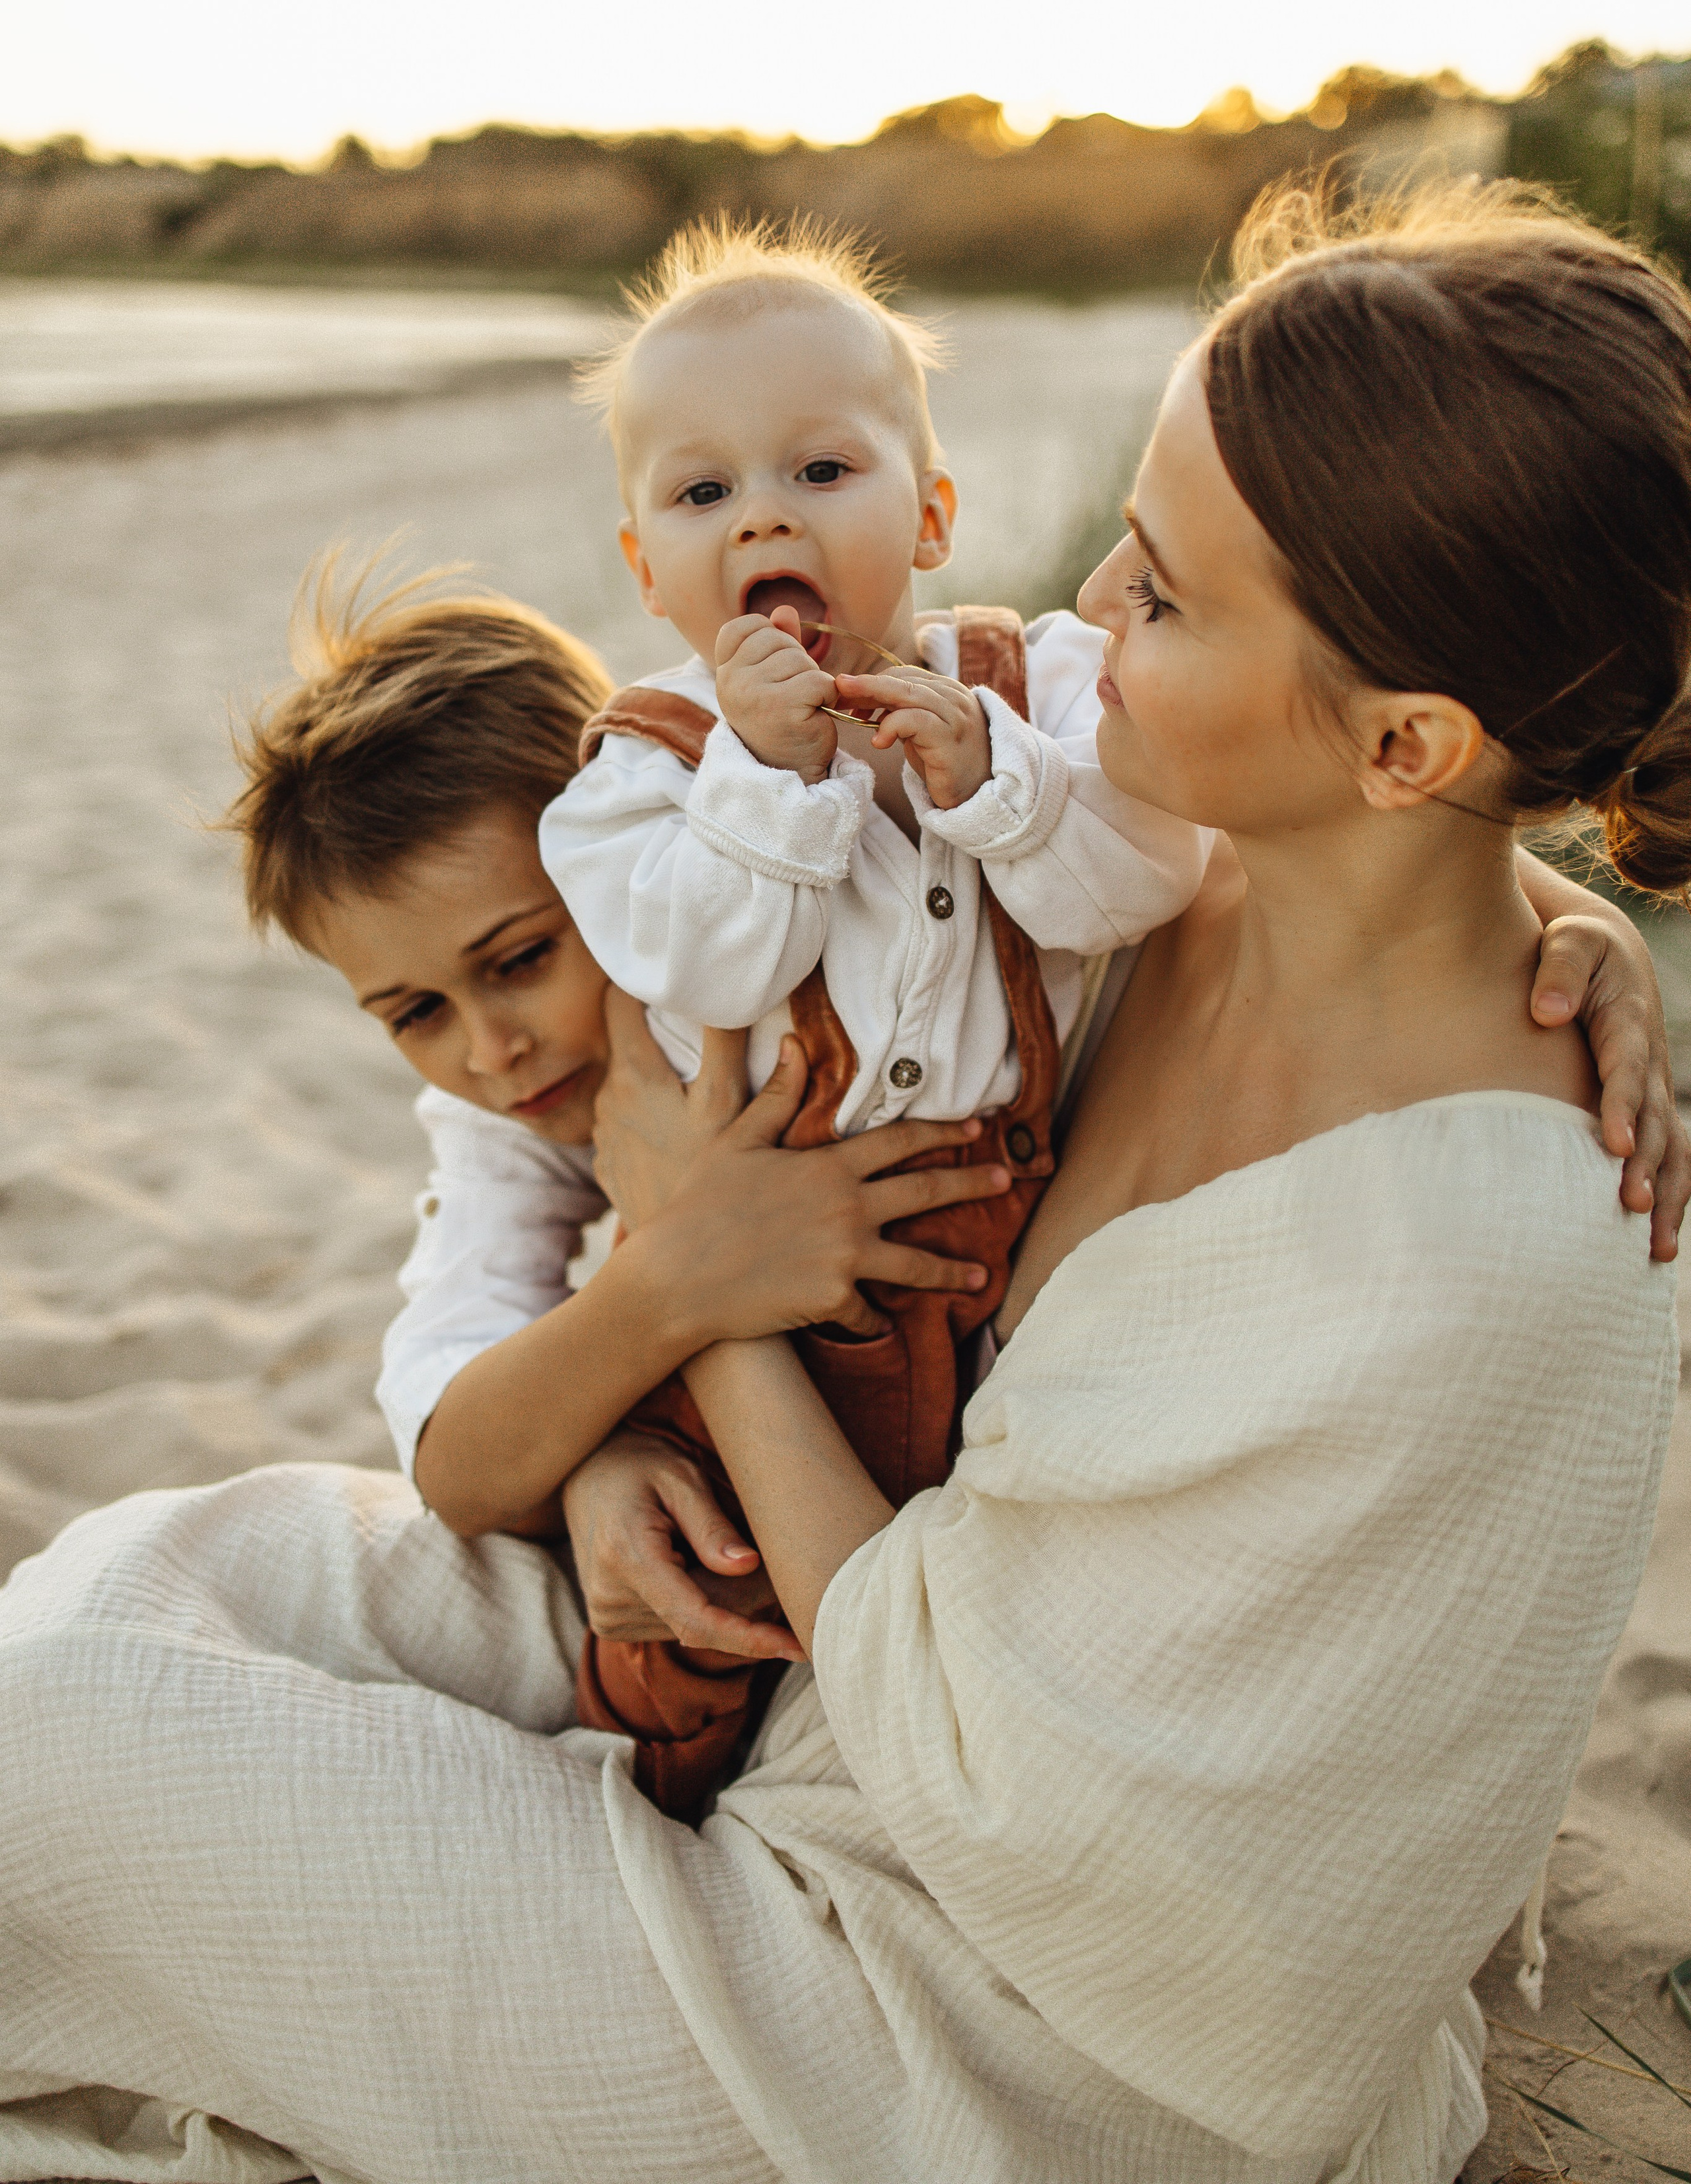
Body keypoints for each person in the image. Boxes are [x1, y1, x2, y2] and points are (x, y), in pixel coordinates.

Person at [2, 179, 1686, 2184]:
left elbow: (998, 1780)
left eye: (1156, 595)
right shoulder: (1188, 871)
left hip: (960, 2025)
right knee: (156, 1576)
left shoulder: (1468, 1245)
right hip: (799, 1653)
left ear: (1403, 740)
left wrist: (694, 1281)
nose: (1083, 624)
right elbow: (1414, 845)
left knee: (63, 1761)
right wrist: (1561, 904)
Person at [540, 217, 1214, 1813]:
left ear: (929, 514)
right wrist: (765, 779)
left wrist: (995, 789)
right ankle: (662, 1769)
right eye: (702, 494)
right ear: (646, 569)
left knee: (993, 1563)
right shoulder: (638, 768)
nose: (761, 511)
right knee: (708, 1581)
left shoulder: (1032, 685)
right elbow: (702, 970)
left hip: (994, 1272)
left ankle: (902, 1779)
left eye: (819, 471)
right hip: (763, 1298)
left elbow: (1151, 873)